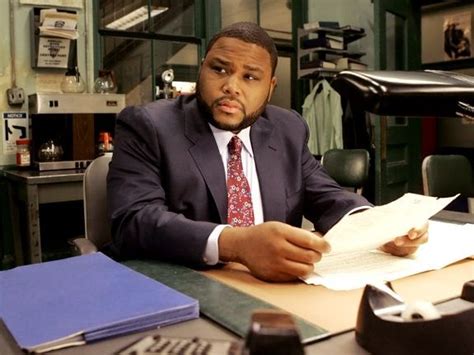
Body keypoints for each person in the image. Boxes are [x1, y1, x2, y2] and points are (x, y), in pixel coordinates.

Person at [107, 22, 428, 282]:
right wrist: (237, 244)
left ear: (270, 87)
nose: (232, 86)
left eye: (250, 76)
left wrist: (380, 226)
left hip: (276, 290)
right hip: (180, 286)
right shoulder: (148, 124)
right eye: (219, 69)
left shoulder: (287, 128)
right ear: (202, 69)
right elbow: (134, 221)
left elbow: (327, 195)